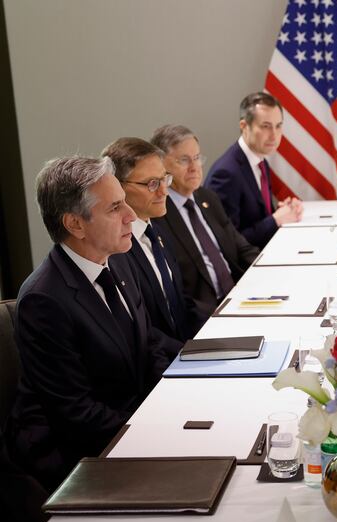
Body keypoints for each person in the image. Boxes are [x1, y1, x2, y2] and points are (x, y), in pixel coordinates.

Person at [7, 156, 177, 489]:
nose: (131, 215)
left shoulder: (119, 259)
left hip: (131, 426)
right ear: (75, 224)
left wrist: (173, 403)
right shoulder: (44, 301)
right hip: (78, 457)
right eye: (115, 208)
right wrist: (155, 432)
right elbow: (77, 414)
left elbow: (149, 344)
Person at [150, 125, 259, 319]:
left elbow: (241, 248)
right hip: (207, 315)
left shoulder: (207, 197)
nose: (194, 167)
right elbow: (176, 293)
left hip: (240, 297)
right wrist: (220, 315)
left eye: (197, 157)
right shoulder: (158, 215)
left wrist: (269, 273)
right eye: (184, 160)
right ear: (161, 166)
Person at [102, 137, 203, 341]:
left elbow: (180, 302)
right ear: (117, 187)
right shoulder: (114, 249)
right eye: (151, 184)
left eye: (164, 178)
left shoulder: (158, 229)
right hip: (162, 362)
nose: (164, 191)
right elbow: (142, 331)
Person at [206, 92, 303, 248]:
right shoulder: (226, 174)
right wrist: (276, 220)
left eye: (278, 126)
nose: (274, 136)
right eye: (266, 126)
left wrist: (283, 212)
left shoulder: (260, 160)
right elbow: (229, 243)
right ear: (244, 126)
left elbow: (256, 218)